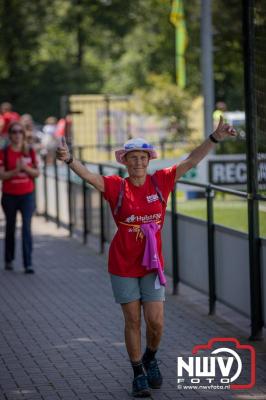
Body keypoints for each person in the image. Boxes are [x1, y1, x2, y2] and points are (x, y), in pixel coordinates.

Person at [56, 116, 236, 398]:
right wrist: (69, 160)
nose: (138, 162)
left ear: (149, 160)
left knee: (156, 321)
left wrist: (214, 138)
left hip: (152, 266)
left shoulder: (161, 182)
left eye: (143, 157)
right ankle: (138, 372)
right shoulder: (117, 186)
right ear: (125, 161)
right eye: (133, 158)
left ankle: (151, 357)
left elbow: (190, 161)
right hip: (123, 265)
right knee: (132, 321)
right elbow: (90, 177)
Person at [0, 122, 40, 273]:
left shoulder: (29, 151)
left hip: (27, 195)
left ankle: (28, 263)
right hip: (9, 196)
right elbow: (1, 175)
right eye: (14, 132)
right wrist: (17, 170)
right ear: (10, 135)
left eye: (20, 132)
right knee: (10, 227)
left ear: (23, 135)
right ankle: (9, 260)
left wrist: (26, 168)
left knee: (26, 228)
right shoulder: (4, 152)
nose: (17, 135)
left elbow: (37, 173)